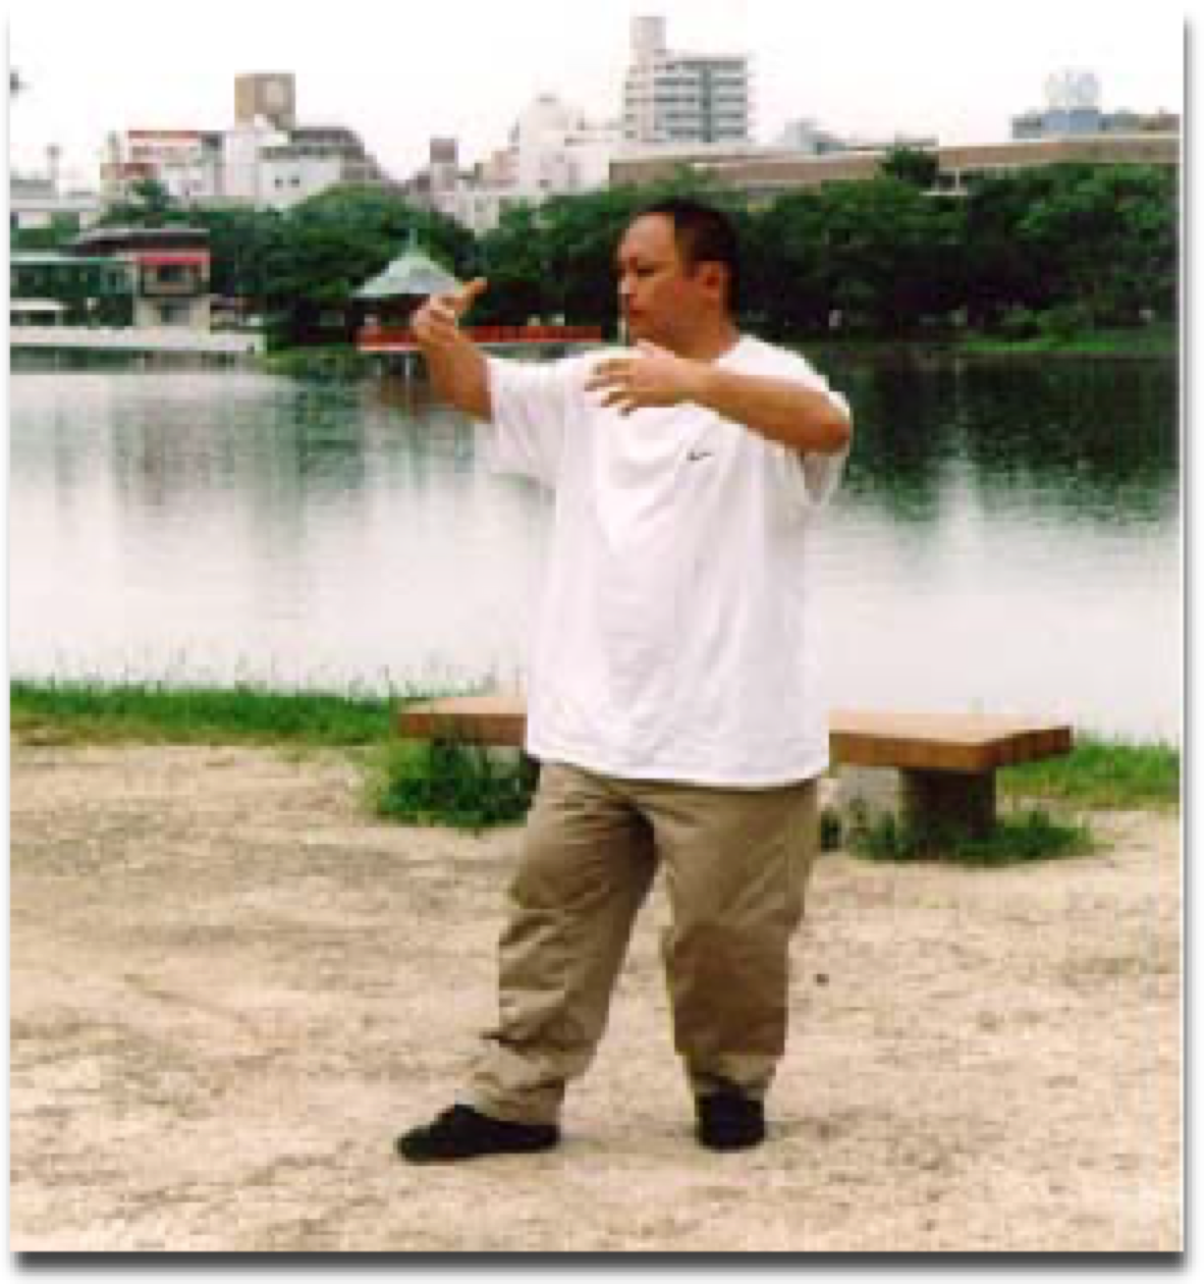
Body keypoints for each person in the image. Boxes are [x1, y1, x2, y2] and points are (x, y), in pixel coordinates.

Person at [397, 199, 853, 1164]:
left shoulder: (775, 379)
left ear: (709, 279)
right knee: (549, 917)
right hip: (594, 730)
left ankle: (729, 1085)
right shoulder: (597, 384)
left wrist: (694, 384)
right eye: (620, 271)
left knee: (727, 942)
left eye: (643, 271)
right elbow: (483, 393)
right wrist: (440, 338)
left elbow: (825, 425)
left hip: (734, 736)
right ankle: (516, 1098)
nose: (624, 288)